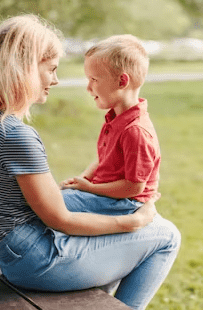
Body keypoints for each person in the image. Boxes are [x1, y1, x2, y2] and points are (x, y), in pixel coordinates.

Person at [0, 14, 180, 310]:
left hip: (13, 255)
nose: (56, 79)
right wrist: (131, 222)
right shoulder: (17, 136)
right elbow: (60, 219)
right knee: (167, 236)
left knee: (94, 217)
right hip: (37, 261)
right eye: (50, 69)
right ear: (23, 69)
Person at [59, 35, 160, 217]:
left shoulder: (135, 131)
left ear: (122, 82)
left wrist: (90, 188)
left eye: (94, 80)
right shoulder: (117, 119)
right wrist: (83, 179)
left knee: (51, 204)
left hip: (125, 203)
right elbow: (104, 159)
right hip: (107, 195)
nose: (88, 88)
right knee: (53, 198)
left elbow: (134, 187)